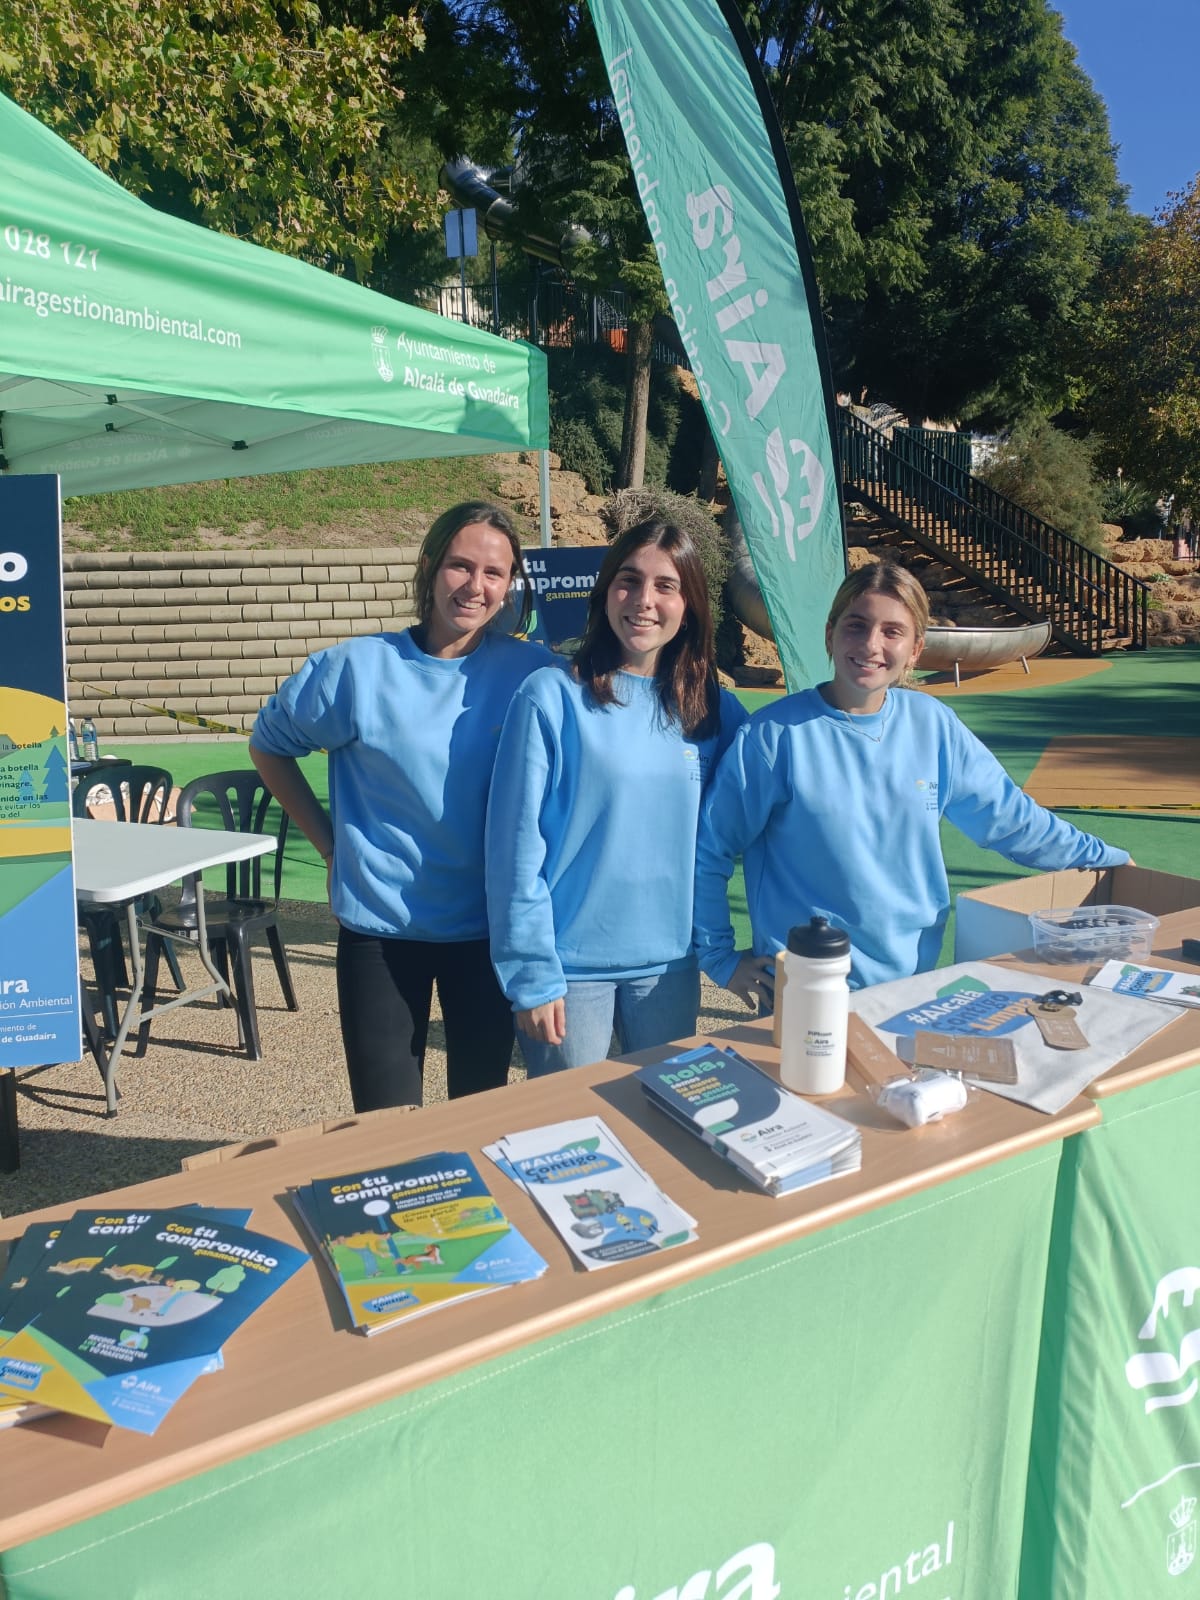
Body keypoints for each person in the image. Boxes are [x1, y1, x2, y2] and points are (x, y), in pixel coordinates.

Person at [693, 559, 1129, 1005]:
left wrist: (1109, 859)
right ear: (830, 633)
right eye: (856, 625)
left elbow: (1011, 821)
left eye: (892, 631)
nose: (870, 644)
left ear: (916, 649)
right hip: (808, 987)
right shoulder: (773, 737)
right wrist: (720, 959)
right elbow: (710, 849)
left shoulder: (933, 725)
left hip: (914, 983)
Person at [249, 501, 553, 1111]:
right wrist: (330, 844)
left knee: (481, 1112)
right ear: (429, 566)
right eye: (459, 566)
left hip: (488, 932)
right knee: (386, 1126)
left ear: (510, 584)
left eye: (494, 573)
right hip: (382, 932)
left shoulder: (534, 673)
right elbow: (269, 747)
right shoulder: (356, 670)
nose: (475, 586)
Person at [485, 518, 747, 1075]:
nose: (644, 601)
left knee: (665, 1127)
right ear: (605, 591)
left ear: (690, 604)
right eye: (628, 581)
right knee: (571, 1140)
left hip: (672, 964)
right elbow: (514, 847)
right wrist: (531, 973)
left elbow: (770, 819)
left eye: (666, 586)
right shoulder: (551, 696)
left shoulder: (714, 711)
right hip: (570, 969)